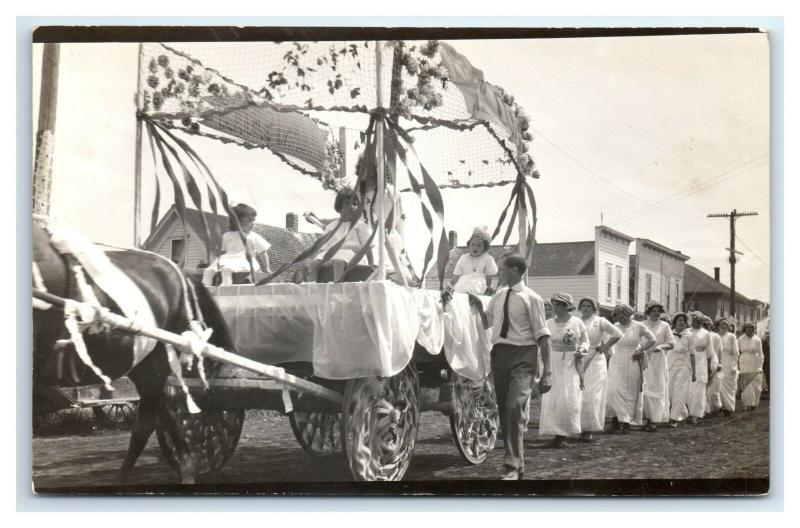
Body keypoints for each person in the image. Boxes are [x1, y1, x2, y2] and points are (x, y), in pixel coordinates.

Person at [473, 254, 551, 480]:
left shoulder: (532, 298)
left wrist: (547, 373)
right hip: (500, 356)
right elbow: (486, 322)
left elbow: (543, 337)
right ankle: (516, 461)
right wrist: (476, 304)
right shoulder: (498, 295)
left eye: (503, 269)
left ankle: (512, 465)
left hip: (524, 355)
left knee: (515, 406)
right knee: (506, 411)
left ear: (516, 271)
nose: (499, 273)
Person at [539, 292, 589, 448]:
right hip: (553, 360)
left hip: (569, 362)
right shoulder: (548, 323)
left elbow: (585, 341)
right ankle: (555, 432)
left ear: (568, 307)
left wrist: (582, 350)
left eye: (560, 305)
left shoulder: (576, 322)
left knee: (568, 396)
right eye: (555, 305)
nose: (557, 308)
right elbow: (542, 342)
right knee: (553, 396)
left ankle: (566, 431)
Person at [577, 297, 623, 441]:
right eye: (583, 305)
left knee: (592, 395)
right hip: (579, 357)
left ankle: (589, 428)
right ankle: (577, 426)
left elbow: (618, 334)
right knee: (579, 393)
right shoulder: (575, 321)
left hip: (596, 359)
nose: (586, 308)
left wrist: (605, 346)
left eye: (589, 306)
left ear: (594, 308)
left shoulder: (600, 321)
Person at [606, 303, 656, 433]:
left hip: (632, 358)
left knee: (630, 390)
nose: (621, 317)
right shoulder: (615, 327)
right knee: (614, 388)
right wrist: (610, 353)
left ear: (629, 314)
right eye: (618, 315)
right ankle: (616, 419)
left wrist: (640, 351)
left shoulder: (638, 326)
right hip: (617, 359)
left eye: (623, 314)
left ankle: (626, 421)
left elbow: (652, 340)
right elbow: (608, 342)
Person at [307, 188, 374, 283]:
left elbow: (367, 247)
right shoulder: (331, 226)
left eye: (354, 204)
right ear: (339, 207)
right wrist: (320, 259)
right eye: (347, 203)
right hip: (331, 254)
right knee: (313, 264)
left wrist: (371, 264)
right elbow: (324, 247)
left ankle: (338, 291)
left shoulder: (360, 226)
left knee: (338, 263)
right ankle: (311, 290)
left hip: (351, 255)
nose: (352, 207)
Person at [202, 203, 271, 286]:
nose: (253, 223)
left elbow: (263, 252)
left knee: (226, 270)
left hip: (244, 260)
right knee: (209, 271)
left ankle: (226, 288)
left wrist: (267, 268)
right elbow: (223, 252)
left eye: (253, 220)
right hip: (227, 259)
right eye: (249, 220)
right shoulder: (227, 235)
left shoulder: (253, 236)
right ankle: (206, 290)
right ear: (237, 221)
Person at [641, 301, 675, 432]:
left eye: (658, 311)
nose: (656, 313)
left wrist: (661, 347)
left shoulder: (665, 325)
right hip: (644, 357)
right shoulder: (642, 325)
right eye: (653, 310)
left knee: (657, 386)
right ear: (648, 312)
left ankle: (655, 419)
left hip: (658, 359)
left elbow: (671, 343)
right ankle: (646, 417)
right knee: (645, 386)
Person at [450, 226, 498, 295]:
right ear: (469, 245)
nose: (475, 248)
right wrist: (450, 286)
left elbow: (489, 276)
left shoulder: (487, 259)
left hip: (479, 284)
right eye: (472, 245)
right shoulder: (464, 258)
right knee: (460, 293)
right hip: (463, 283)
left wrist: (488, 287)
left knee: (474, 290)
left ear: (484, 248)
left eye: (479, 246)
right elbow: (456, 276)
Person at [667, 312, 695, 427]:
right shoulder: (669, 333)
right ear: (674, 322)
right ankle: (682, 413)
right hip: (670, 365)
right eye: (679, 320)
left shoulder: (689, 335)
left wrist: (694, 371)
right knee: (670, 391)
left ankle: (673, 418)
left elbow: (692, 354)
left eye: (684, 320)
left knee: (680, 392)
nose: (682, 322)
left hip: (684, 366)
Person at [685, 311, 712, 424]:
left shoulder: (706, 333)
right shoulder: (686, 332)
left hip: (701, 360)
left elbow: (709, 352)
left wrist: (709, 367)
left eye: (699, 320)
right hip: (687, 359)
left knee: (699, 387)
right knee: (688, 386)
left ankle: (696, 414)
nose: (697, 322)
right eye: (694, 320)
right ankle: (686, 413)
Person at [738, 322, 765, 410]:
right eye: (748, 328)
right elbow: (737, 352)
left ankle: (754, 403)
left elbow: (761, 354)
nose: (750, 330)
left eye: (752, 328)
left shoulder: (757, 339)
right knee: (746, 383)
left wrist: (761, 366)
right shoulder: (740, 339)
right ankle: (748, 404)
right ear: (744, 329)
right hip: (744, 362)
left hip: (755, 362)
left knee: (756, 383)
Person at [716, 319, 740, 415]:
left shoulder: (732, 336)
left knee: (729, 387)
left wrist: (734, 366)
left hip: (729, 363)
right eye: (722, 324)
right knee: (719, 385)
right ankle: (720, 407)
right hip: (718, 362)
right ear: (718, 325)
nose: (724, 325)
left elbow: (736, 353)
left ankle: (729, 408)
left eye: (726, 324)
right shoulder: (716, 336)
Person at [706, 317, 724, 416]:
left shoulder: (716, 336)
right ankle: (706, 409)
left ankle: (718, 407)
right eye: (704, 324)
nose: (706, 326)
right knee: (705, 389)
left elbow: (720, 350)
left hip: (714, 362)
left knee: (715, 388)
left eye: (708, 324)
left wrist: (720, 364)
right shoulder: (700, 335)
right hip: (702, 362)